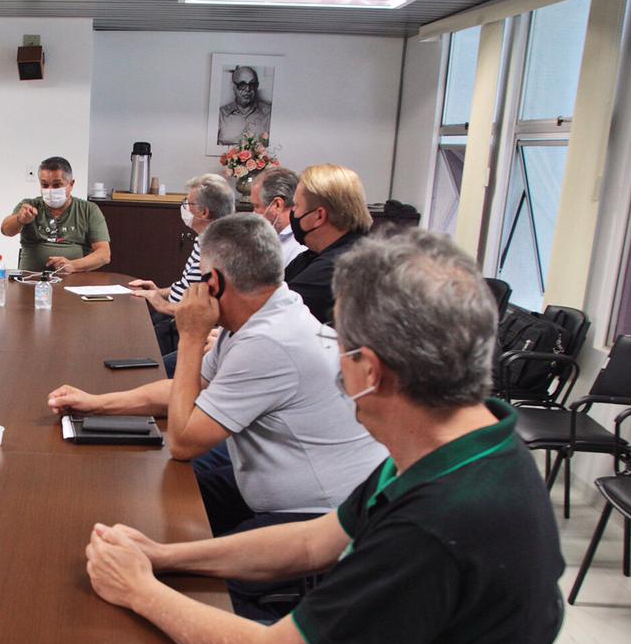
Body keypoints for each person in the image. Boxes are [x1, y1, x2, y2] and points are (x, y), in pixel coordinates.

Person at [82, 229, 564, 644]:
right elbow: (314, 540)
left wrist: (140, 590)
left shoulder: (437, 522)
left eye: (342, 348)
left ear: (370, 370)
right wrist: (166, 557)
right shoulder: (465, 442)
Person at [49, 213, 384, 537]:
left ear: (215, 282)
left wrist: (191, 336)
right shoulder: (263, 312)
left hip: (321, 513)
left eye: (200, 278)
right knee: (151, 501)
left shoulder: (269, 340)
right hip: (279, 485)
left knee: (179, 549)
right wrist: (95, 403)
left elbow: (183, 443)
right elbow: (187, 388)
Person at [128, 174, 236, 359]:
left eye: (188, 203)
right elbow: (189, 286)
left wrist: (163, 305)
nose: (184, 207)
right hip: (175, 316)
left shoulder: (220, 248)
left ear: (204, 212)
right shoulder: (204, 239)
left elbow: (207, 309)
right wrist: (159, 291)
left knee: (144, 356)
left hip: (190, 327)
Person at [283, 164, 372, 324]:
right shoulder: (312, 255)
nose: (293, 212)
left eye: (296, 206)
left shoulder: (337, 266)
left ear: (319, 216)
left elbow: (277, 312)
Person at [0, 156, 111, 274]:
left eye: (57, 185)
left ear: (71, 184)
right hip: (30, 279)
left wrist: (73, 265)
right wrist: (19, 219)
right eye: (45, 185)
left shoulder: (88, 210)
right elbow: (5, 230)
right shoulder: (29, 206)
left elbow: (104, 254)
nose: (50, 190)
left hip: (74, 279)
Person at [250, 166, 305, 267]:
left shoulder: (300, 247)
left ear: (277, 205)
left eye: (257, 206)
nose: (254, 213)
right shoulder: (267, 235)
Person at [217, 66, 272, 147]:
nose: (248, 89)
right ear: (233, 87)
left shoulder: (269, 114)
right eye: (242, 84)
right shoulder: (220, 114)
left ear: (257, 86)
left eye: (252, 84)